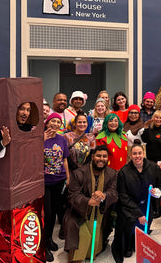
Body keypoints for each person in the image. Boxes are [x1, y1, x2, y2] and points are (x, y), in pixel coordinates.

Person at [63, 145, 118, 262]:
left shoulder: (112, 174)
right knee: (81, 238)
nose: (101, 159)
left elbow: (114, 192)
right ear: (92, 157)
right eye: (98, 156)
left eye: (104, 156)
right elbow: (72, 196)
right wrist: (88, 201)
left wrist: (104, 196)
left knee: (94, 249)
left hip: (101, 215)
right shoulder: (79, 173)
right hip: (80, 213)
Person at [112, 143, 161, 262]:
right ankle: (129, 243)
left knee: (144, 226)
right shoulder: (123, 172)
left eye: (139, 153)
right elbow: (123, 196)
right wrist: (138, 214)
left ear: (144, 154)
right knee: (129, 225)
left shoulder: (153, 168)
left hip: (146, 204)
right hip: (130, 207)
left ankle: (138, 240)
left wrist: (158, 192)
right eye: (134, 153)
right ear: (130, 155)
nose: (137, 156)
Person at [43, 112, 70, 261]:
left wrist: (68, 178)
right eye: (52, 121)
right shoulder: (39, 137)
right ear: (47, 123)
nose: (55, 124)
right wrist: (42, 140)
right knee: (46, 212)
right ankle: (44, 246)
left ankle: (49, 239)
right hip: (43, 182)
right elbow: (30, 155)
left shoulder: (62, 139)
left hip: (58, 180)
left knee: (54, 212)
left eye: (58, 122)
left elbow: (64, 160)